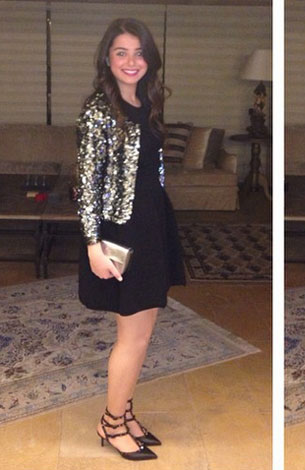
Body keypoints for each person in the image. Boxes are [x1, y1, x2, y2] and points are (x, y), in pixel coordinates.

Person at [76, 18, 186, 461]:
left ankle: (125, 412)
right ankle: (111, 422)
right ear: (107, 58)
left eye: (139, 53)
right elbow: (87, 185)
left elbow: (152, 171)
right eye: (121, 52)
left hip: (151, 223)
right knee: (132, 335)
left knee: (144, 329)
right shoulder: (99, 109)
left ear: (150, 59)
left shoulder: (147, 102)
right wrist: (93, 244)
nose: (131, 61)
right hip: (121, 231)